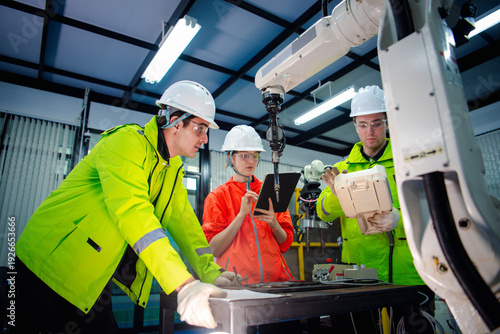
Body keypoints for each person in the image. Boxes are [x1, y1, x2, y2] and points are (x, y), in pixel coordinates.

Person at [14, 80, 239, 334]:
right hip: (47, 265)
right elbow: (133, 212)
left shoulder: (171, 167)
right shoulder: (126, 143)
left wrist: (210, 272)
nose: (205, 138)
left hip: (92, 275)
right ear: (176, 122)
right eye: (200, 128)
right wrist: (184, 285)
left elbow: (185, 223)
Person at [316, 86, 434, 333]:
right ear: (355, 125)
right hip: (359, 273)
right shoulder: (341, 168)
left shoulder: (409, 162)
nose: (369, 132)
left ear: (388, 122)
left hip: (407, 272)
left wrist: (400, 218)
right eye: (362, 125)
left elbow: (433, 208)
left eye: (377, 123)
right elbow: (322, 212)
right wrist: (338, 195)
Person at [202, 125, 295, 284]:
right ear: (230, 157)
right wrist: (241, 216)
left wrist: (274, 224)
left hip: (275, 283)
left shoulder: (272, 190)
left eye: (255, 155)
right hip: (237, 283)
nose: (251, 161)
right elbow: (214, 249)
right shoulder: (217, 197)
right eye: (244, 155)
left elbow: (285, 243)